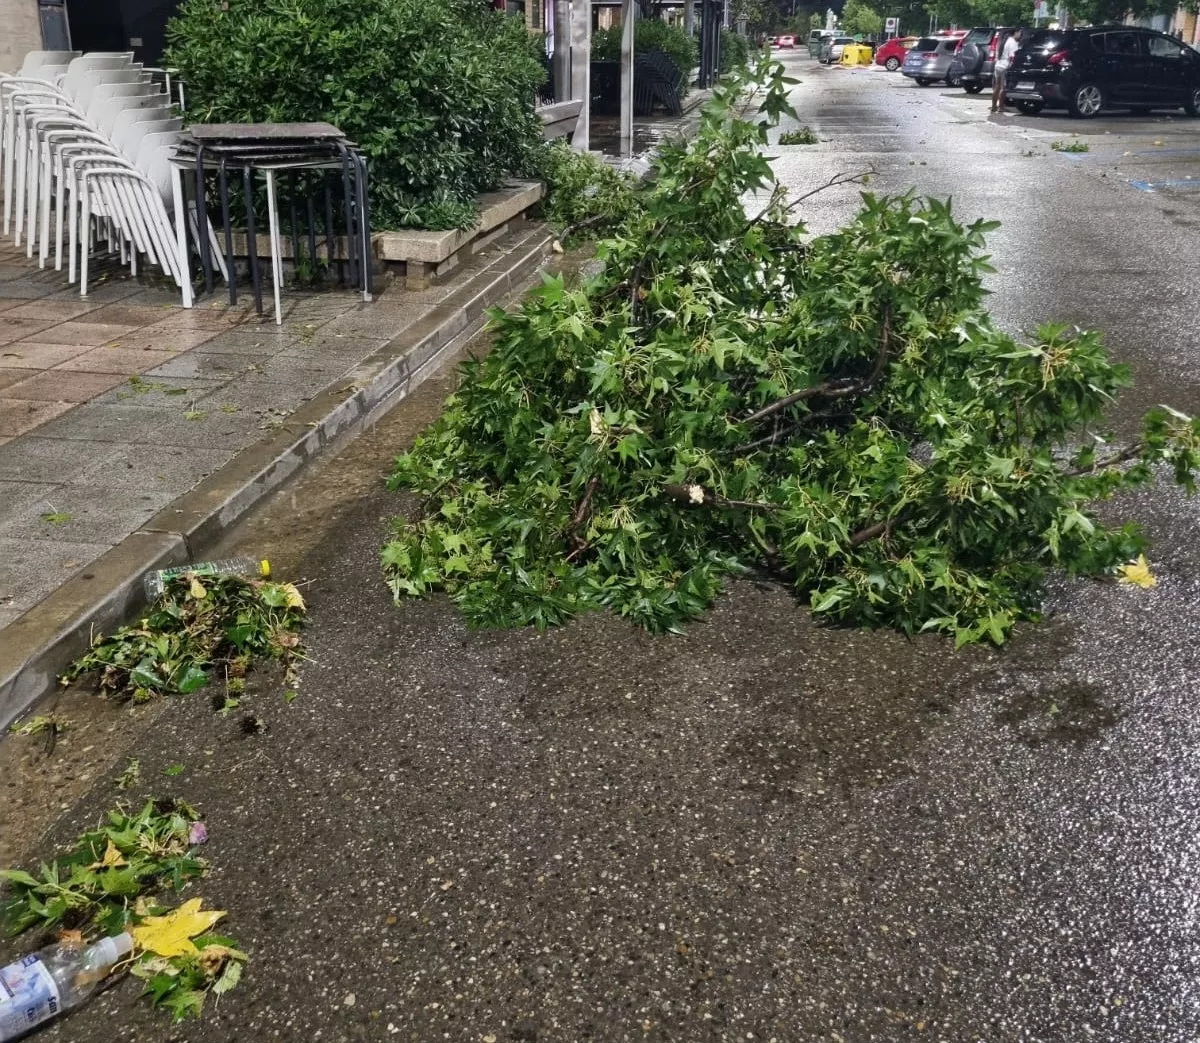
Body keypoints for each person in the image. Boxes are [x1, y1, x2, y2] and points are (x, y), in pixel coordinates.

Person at [991, 28, 1023, 114]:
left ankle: (993, 106)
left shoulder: (1003, 41)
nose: (1020, 35)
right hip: (1005, 65)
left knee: (997, 86)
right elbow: (1012, 56)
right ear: (1015, 33)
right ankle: (1001, 107)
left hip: (998, 65)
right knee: (1003, 88)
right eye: (1019, 33)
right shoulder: (1013, 42)